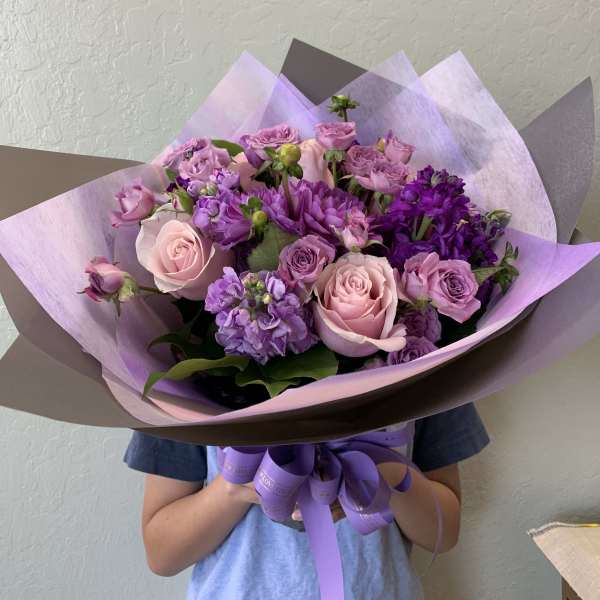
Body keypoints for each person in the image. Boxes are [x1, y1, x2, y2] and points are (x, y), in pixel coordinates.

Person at [124, 403, 489, 600]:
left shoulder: (424, 355)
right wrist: (236, 486)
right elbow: (163, 553)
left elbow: (444, 532)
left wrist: (386, 471)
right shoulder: (181, 369)